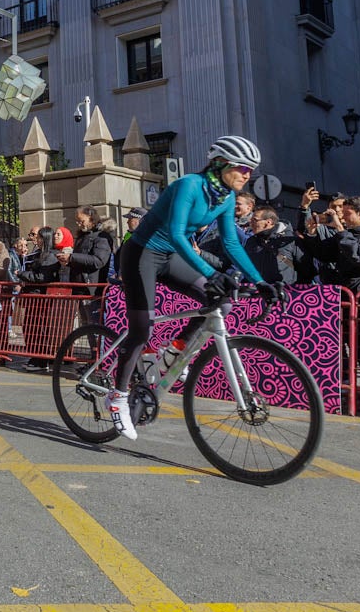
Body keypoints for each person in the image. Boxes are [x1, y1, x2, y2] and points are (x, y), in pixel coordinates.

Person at [105, 136, 277, 441]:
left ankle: (175, 350)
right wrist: (211, 273)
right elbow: (176, 233)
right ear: (220, 164)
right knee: (142, 330)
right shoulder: (189, 185)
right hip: (142, 254)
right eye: (242, 168)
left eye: (251, 170)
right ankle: (117, 397)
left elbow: (231, 242)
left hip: (171, 255)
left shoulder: (225, 198)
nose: (247, 175)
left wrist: (260, 280)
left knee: (222, 303)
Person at [243, 206, 300, 285]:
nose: (251, 223)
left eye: (255, 220)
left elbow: (304, 266)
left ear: (268, 222)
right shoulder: (251, 241)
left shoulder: (289, 240)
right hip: (257, 289)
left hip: (285, 289)